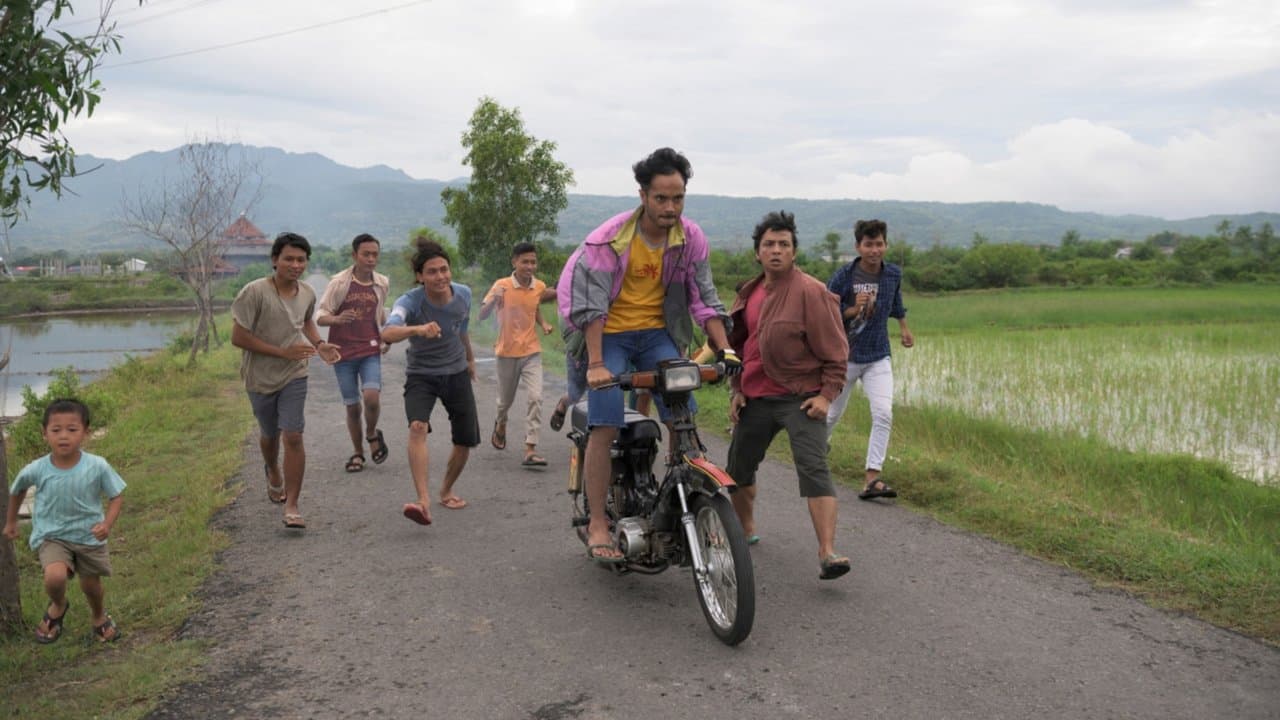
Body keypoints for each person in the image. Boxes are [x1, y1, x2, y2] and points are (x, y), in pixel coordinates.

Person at [557, 147, 738, 563]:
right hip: (608, 333)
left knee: (681, 414)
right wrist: (597, 365)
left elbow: (704, 299)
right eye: (661, 198)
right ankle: (598, 521)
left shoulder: (690, 239)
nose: (670, 207)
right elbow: (591, 308)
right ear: (643, 196)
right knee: (604, 422)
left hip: (657, 333)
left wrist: (725, 349)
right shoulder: (609, 240)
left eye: (678, 198)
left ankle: (686, 495)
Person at [724, 211, 852, 580]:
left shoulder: (813, 292)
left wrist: (826, 396)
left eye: (784, 244)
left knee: (814, 468)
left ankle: (827, 552)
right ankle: (745, 528)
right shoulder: (748, 293)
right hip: (755, 397)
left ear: (794, 252)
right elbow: (740, 347)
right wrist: (737, 389)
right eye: (769, 244)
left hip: (801, 397)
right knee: (738, 469)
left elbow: (837, 352)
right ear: (758, 252)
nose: (776, 250)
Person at [230, 232, 340, 530]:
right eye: (289, 259)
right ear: (275, 260)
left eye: (301, 260)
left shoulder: (307, 293)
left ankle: (292, 505)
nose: (295, 265)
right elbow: (238, 337)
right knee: (269, 434)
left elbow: (306, 321)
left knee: (293, 435)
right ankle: (272, 469)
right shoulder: (255, 292)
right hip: (260, 377)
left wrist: (319, 344)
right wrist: (281, 351)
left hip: (295, 373)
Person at [4, 399, 126, 643]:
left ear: (86, 432)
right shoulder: (37, 468)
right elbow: (17, 490)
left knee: (91, 585)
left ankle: (99, 616)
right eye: (56, 430)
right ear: (44, 433)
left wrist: (107, 525)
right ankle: (58, 605)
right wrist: (11, 521)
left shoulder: (97, 465)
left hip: (89, 535)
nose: (63, 436)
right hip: (53, 535)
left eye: (72, 429)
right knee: (55, 576)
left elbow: (116, 495)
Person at [381, 237, 479, 526]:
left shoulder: (463, 294)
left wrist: (470, 359)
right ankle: (423, 501)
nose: (440, 276)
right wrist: (418, 329)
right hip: (421, 374)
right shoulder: (409, 302)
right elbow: (388, 332)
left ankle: (446, 490)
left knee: (465, 440)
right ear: (420, 277)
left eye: (444, 269)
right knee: (417, 427)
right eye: (432, 272)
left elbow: (462, 328)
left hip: (456, 372)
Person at [824, 219, 915, 500]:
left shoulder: (893, 274)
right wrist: (852, 310)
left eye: (879, 244)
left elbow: (896, 302)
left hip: (878, 355)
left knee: (883, 413)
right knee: (831, 414)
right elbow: (825, 310)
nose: (874, 250)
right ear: (858, 247)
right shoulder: (844, 276)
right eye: (868, 244)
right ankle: (814, 451)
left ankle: (872, 477)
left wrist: (904, 328)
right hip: (845, 356)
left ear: (885, 245)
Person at [316, 233, 391, 473]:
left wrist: (387, 334)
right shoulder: (339, 283)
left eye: (375, 254)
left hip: (370, 349)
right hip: (342, 353)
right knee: (352, 407)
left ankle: (371, 433)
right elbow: (321, 316)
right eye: (366, 254)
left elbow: (380, 312)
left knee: (372, 397)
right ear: (354, 255)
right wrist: (336, 319)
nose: (371, 259)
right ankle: (358, 453)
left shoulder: (381, 283)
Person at [479, 242, 555, 467]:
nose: (530, 266)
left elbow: (534, 306)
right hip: (506, 352)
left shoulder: (538, 286)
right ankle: (501, 423)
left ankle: (530, 447)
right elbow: (481, 315)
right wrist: (494, 300)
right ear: (514, 262)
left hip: (531, 351)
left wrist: (544, 323)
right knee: (505, 402)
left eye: (533, 262)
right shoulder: (501, 285)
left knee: (536, 397)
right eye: (525, 262)